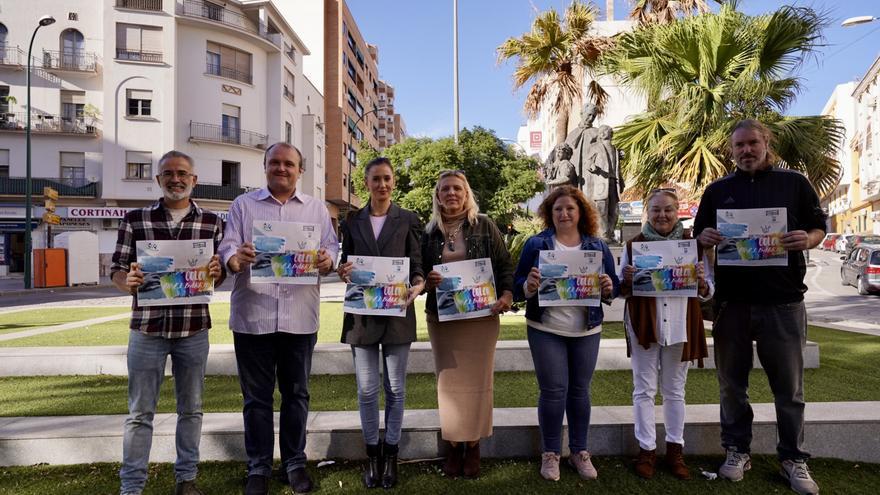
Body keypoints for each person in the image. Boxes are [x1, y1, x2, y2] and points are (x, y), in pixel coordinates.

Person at [694, 119, 826, 495]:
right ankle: (737, 450)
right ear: (732, 150)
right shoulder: (718, 190)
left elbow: (819, 226)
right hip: (731, 304)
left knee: (789, 389)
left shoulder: (795, 183)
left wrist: (809, 238)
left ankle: (793, 459)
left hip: (783, 303)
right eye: (739, 146)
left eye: (753, 143)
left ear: (766, 143)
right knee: (731, 386)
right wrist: (703, 237)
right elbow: (700, 236)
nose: (746, 150)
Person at [218, 142, 338, 495]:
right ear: (266, 167)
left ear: (301, 170)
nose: (282, 169)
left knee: (297, 394)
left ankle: (294, 463)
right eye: (275, 163)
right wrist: (235, 258)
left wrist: (328, 261)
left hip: (299, 318)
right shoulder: (243, 205)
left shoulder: (317, 210)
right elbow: (227, 247)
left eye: (289, 164)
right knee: (256, 398)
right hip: (253, 316)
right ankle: (258, 466)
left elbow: (331, 248)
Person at [111, 150, 225, 495]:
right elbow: (116, 270)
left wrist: (218, 274)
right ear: (158, 179)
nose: (176, 179)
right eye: (168, 173)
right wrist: (125, 282)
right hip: (147, 329)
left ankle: (186, 480)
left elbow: (214, 278)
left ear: (194, 180)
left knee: (191, 410)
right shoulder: (134, 219)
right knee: (139, 412)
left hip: (193, 329)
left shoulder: (212, 222)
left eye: (182, 173)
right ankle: (132, 486)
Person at [513, 185, 619, 482]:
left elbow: (614, 287)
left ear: (580, 212)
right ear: (550, 213)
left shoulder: (597, 246)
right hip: (545, 327)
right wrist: (528, 286)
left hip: (586, 329)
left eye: (570, 208)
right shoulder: (536, 244)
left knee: (579, 392)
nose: (564, 213)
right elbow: (518, 279)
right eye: (558, 209)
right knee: (553, 391)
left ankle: (579, 452)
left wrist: (610, 288)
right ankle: (550, 453)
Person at [336, 157, 425, 489]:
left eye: (387, 179)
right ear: (367, 183)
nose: (382, 185)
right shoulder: (352, 220)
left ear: (394, 182)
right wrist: (343, 270)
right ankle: (372, 455)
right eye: (376, 179)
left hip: (398, 314)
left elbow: (417, 265)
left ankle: (392, 456)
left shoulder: (408, 219)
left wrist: (417, 285)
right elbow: (346, 262)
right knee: (367, 389)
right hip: (362, 316)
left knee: (396, 389)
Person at [421, 169, 515, 479]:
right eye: (445, 188)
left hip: (480, 319)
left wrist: (506, 294)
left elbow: (504, 264)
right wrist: (426, 280)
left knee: (478, 382)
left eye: (457, 188)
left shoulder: (484, 225)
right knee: (448, 384)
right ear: (438, 195)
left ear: (466, 193)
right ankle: (452, 445)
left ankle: (472, 445)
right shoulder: (429, 232)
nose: (451, 193)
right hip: (443, 319)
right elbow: (418, 272)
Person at [618, 188, 712, 480]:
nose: (662, 215)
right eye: (656, 210)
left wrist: (700, 281)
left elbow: (708, 290)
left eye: (668, 209)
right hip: (644, 325)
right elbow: (622, 288)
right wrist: (628, 281)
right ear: (648, 213)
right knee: (643, 389)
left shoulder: (691, 246)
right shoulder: (634, 246)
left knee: (675, 391)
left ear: (677, 211)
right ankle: (647, 449)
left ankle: (675, 450)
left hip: (681, 324)